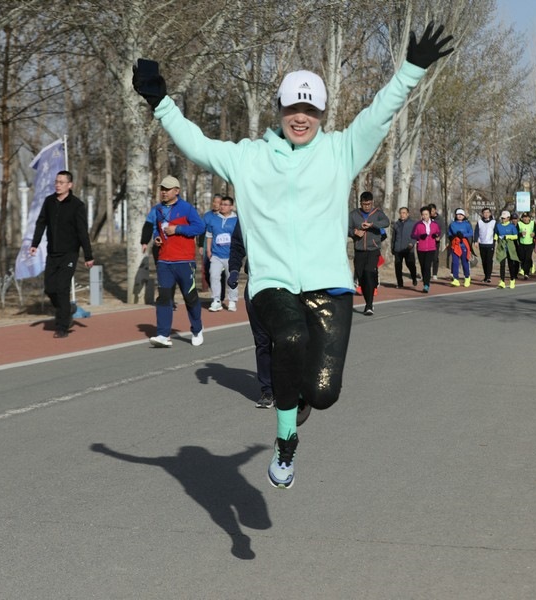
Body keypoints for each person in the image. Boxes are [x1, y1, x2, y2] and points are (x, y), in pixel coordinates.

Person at [133, 22, 453, 489]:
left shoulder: (342, 151)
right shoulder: (248, 157)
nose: (301, 118)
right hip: (272, 283)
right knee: (288, 337)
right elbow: (196, 143)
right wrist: (161, 102)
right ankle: (286, 443)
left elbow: (379, 113)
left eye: (311, 110)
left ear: (321, 113)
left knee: (323, 394)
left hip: (328, 286)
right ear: (280, 108)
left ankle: (298, 400)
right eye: (293, 108)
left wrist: (410, 70)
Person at [29, 170, 95, 339]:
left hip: (69, 253)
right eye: (56, 182)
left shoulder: (77, 205)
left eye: (61, 182)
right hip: (52, 252)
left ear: (69, 185)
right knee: (50, 288)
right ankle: (68, 309)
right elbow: (41, 222)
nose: (57, 185)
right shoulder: (49, 202)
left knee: (62, 289)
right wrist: (35, 243)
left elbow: (82, 232)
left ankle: (62, 327)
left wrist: (88, 255)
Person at [141, 175, 205, 348]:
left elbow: (199, 227)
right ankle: (163, 335)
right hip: (164, 261)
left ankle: (197, 329)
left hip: (184, 261)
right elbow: (156, 229)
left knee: (190, 297)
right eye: (162, 189)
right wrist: (156, 238)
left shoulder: (186, 208)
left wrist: (178, 229)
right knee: (164, 298)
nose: (164, 192)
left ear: (176, 191)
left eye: (167, 189)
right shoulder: (157, 209)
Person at [227, 220, 274, 409]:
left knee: (285, 340)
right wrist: (233, 269)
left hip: (284, 283)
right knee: (262, 341)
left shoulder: (284, 209)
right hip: (256, 283)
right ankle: (268, 390)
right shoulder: (248, 213)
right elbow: (237, 245)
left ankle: (288, 387)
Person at [349, 191, 390, 315]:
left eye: (369, 204)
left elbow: (386, 222)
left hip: (373, 249)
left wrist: (372, 225)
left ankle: (369, 305)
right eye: (364, 204)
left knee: (368, 274)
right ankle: (368, 302)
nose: (367, 207)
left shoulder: (377, 213)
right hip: (359, 250)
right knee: (361, 278)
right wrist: (355, 232)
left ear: (372, 203)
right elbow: (345, 227)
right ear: (360, 203)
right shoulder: (353, 214)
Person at [205, 195, 239, 311]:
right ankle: (216, 300)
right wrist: (208, 250)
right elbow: (209, 236)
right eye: (221, 204)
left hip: (231, 256)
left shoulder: (236, 220)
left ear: (231, 207)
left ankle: (232, 300)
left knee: (231, 278)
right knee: (214, 276)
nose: (222, 207)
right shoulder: (214, 219)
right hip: (216, 255)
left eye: (225, 205)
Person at [412, 206, 441, 293]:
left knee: (427, 266)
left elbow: (438, 232)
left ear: (430, 214)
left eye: (426, 214)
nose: (425, 216)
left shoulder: (435, 224)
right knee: (423, 266)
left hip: (431, 248)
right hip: (421, 248)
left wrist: (436, 236)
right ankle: (425, 281)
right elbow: (413, 235)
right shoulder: (418, 224)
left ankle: (426, 285)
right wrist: (420, 236)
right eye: (423, 214)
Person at [391, 206, 418, 288]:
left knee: (410, 265)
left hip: (408, 249)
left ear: (408, 214)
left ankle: (414, 277)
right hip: (398, 249)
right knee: (398, 267)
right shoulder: (396, 224)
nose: (402, 215)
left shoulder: (413, 223)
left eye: (404, 213)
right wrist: (393, 248)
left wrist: (412, 243)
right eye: (401, 213)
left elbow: (416, 236)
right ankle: (400, 283)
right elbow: (393, 237)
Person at [447, 208, 473, 287]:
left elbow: (471, 233)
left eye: (461, 214)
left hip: (464, 245)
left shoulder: (467, 224)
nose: (459, 216)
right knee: (455, 262)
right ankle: (455, 279)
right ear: (456, 215)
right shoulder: (452, 224)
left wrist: (463, 235)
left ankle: (467, 277)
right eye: (458, 214)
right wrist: (453, 237)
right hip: (455, 245)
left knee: (465, 262)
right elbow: (450, 233)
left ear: (464, 216)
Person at [202, 194, 223, 292]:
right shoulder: (207, 216)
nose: (215, 204)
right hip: (207, 245)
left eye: (218, 202)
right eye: (214, 202)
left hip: (220, 247)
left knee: (220, 271)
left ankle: (219, 292)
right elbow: (202, 231)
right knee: (207, 270)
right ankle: (214, 288)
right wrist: (200, 246)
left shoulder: (224, 216)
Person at [494, 210, 520, 289]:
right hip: (501, 246)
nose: (503, 219)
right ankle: (502, 281)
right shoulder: (498, 226)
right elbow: (496, 234)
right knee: (502, 264)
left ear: (508, 218)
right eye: (502, 218)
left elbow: (516, 236)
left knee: (510, 264)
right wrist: (495, 239)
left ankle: (512, 280)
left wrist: (508, 236)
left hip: (510, 246)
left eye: (504, 218)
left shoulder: (512, 226)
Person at [473, 207, 497, 283]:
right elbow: (476, 232)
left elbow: (496, 232)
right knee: (484, 261)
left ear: (490, 213)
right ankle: (486, 276)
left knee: (489, 260)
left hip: (490, 244)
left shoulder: (494, 222)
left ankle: (489, 276)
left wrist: (495, 240)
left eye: (487, 212)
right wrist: (475, 241)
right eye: (484, 213)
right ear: (482, 214)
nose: (486, 214)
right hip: (482, 244)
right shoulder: (479, 222)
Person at [517, 211, 536, 278]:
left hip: (530, 244)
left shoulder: (532, 223)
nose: (525, 219)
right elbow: (516, 233)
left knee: (527, 258)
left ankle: (526, 273)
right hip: (522, 244)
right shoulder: (519, 224)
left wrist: (534, 234)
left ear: (529, 218)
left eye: (527, 217)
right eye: (524, 217)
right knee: (522, 258)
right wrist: (520, 234)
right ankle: (528, 266)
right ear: (522, 218)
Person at [428, 203, 445, 280]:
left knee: (435, 257)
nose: (431, 213)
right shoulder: (427, 218)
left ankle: (434, 274)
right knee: (427, 258)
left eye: (432, 211)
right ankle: (426, 273)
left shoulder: (440, 219)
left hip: (435, 241)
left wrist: (439, 237)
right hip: (427, 241)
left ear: (435, 210)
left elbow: (443, 229)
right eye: (430, 211)